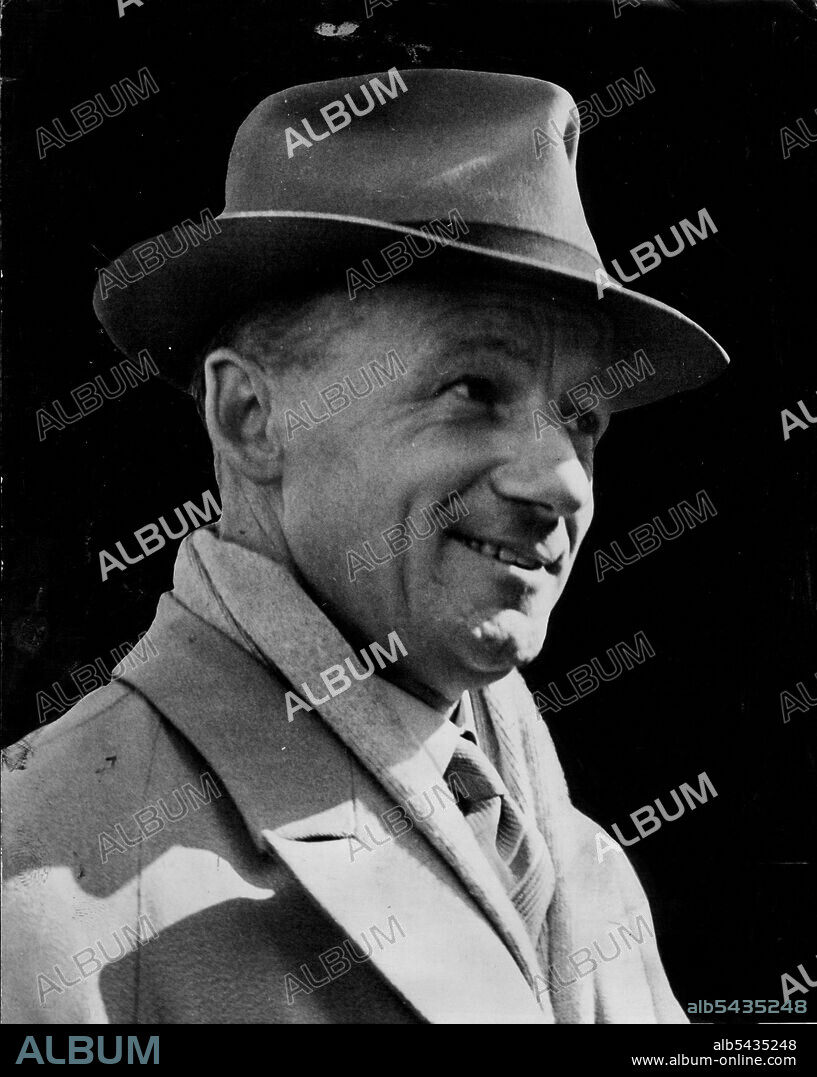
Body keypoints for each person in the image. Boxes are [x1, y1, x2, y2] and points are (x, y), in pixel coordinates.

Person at [2, 68, 727, 1024]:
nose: (564, 482)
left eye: (583, 418)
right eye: (472, 388)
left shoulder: (582, 868)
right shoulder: (41, 879)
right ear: (250, 416)